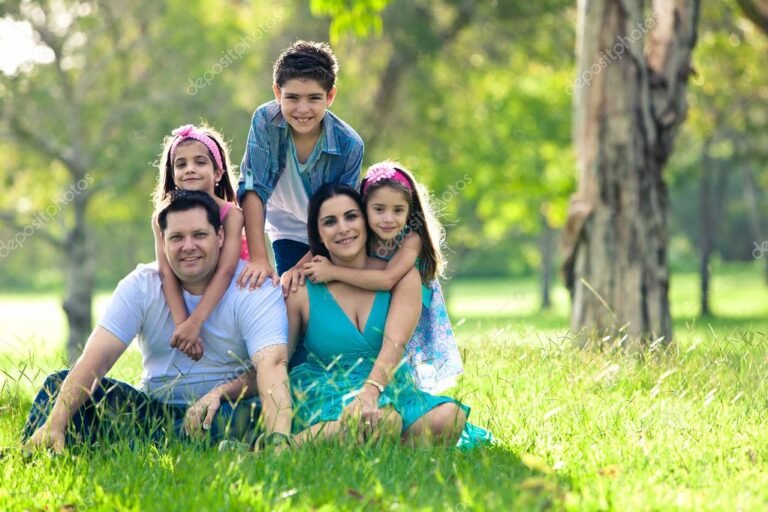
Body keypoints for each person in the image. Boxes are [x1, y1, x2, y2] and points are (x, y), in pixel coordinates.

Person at [23, 191, 292, 453]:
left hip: (221, 407)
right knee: (59, 386)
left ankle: (126, 447)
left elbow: (271, 366)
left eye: (199, 235)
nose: (188, 246)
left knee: (233, 420)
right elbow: (97, 359)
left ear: (220, 236)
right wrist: (56, 422)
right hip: (152, 408)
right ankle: (38, 447)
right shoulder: (141, 285)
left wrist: (221, 394)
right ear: (163, 241)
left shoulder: (253, 286)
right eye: (177, 237)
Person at [288, 184, 481, 447]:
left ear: (366, 222)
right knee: (383, 420)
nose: (343, 228)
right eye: (330, 222)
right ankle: (289, 448)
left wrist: (370, 391)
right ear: (318, 234)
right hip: (327, 390)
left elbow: (395, 344)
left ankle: (363, 440)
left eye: (351, 216)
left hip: (388, 383)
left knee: (450, 416)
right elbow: (279, 359)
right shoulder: (301, 288)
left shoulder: (402, 276)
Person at [303, 161, 463, 392]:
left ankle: (397, 394)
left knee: (401, 355)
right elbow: (320, 245)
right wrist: (295, 270)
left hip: (409, 298)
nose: (388, 219)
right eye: (379, 210)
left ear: (410, 211)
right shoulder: (361, 231)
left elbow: (387, 280)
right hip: (379, 297)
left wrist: (333, 272)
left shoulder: (411, 239)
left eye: (398, 210)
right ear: (365, 209)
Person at [236, 40, 364, 298]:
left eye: (314, 98)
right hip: (286, 225)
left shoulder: (349, 145)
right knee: (290, 294)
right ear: (277, 93)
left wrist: (300, 268)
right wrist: (259, 259)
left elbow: (342, 212)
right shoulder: (265, 121)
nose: (302, 109)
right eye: (292, 97)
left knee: (326, 296)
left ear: (330, 96)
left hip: (331, 231)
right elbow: (251, 185)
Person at [152, 123, 247, 361]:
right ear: (173, 174)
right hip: (190, 293)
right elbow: (166, 271)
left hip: (231, 294)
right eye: (181, 164)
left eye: (200, 162)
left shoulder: (232, 215)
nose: (190, 170)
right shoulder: (161, 217)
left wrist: (196, 322)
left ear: (218, 173)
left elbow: (226, 270)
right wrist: (183, 324)